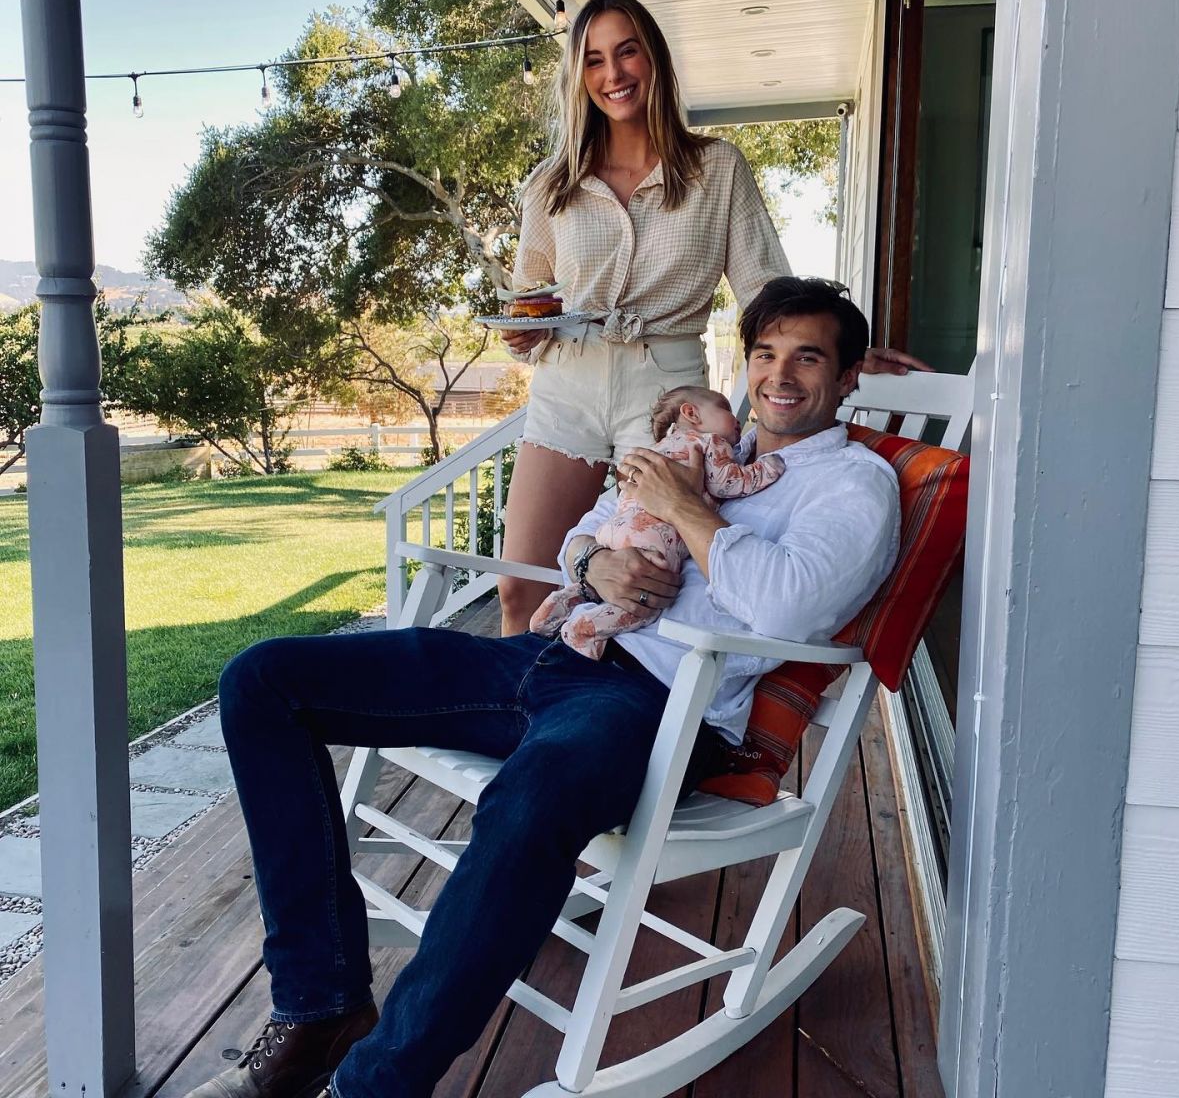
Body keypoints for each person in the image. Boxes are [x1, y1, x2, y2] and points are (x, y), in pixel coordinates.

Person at [185, 277, 900, 1098]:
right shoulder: (712, 444)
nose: (780, 374)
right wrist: (594, 563)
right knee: (264, 681)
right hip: (547, 655)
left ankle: (375, 1084)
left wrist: (684, 510)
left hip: (654, 705)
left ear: (848, 378)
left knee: (533, 799)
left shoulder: (853, 485)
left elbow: (790, 604)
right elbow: (588, 530)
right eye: (766, 353)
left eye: (809, 358)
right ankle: (320, 1006)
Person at [496, 0, 923, 636]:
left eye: (627, 52)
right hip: (569, 383)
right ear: (578, 77)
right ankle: (517, 715)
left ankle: (630, 723)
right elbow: (531, 299)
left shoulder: (715, 169)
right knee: (516, 588)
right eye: (594, 60)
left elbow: (768, 294)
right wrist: (521, 337)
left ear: (654, 61)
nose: (613, 74)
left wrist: (850, 347)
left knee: (652, 583)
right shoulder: (552, 183)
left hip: (671, 397)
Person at [530, 385, 786, 658]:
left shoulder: (659, 449)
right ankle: (586, 629)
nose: (737, 420)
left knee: (607, 584)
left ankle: (562, 601)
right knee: (644, 605)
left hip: (616, 528)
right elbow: (728, 484)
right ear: (691, 413)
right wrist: (768, 467)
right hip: (654, 536)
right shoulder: (710, 442)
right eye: (725, 409)